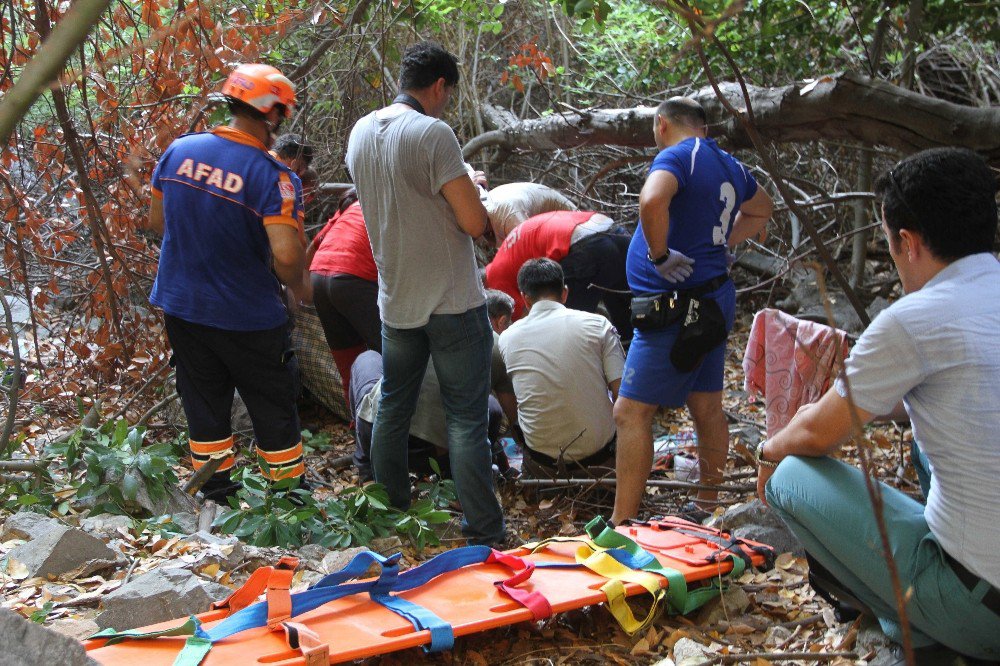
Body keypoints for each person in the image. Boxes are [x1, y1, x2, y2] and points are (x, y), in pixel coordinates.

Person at [758, 147, 1000, 661]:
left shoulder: (915, 318)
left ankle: (912, 623)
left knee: (788, 475)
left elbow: (816, 436)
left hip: (983, 611)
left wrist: (767, 450)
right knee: (922, 436)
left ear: (907, 243)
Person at [345, 41, 505, 546]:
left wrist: (456, 185)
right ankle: (483, 527)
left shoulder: (361, 132)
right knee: (465, 417)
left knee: (394, 402)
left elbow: (403, 198)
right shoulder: (434, 134)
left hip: (396, 300)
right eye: (448, 94)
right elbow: (474, 220)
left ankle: (392, 510)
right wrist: (473, 189)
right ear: (439, 86)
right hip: (453, 302)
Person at [146, 64, 312, 500]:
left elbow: (157, 221)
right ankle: (287, 499)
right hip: (249, 316)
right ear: (271, 113)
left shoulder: (180, 150)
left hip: (183, 306)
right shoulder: (272, 176)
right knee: (272, 406)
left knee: (203, 403)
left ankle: (216, 495)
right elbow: (287, 255)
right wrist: (299, 290)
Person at [611, 97, 772, 525]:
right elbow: (762, 208)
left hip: (676, 308)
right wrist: (722, 244)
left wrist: (660, 255)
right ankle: (708, 504)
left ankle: (620, 524)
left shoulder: (678, 155)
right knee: (706, 406)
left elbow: (651, 202)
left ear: (662, 124)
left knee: (630, 413)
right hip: (713, 297)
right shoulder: (728, 163)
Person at [498, 259, 625, 478]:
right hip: (602, 461)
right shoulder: (598, 325)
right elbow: (624, 397)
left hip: (543, 466)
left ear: (525, 299)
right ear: (565, 293)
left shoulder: (507, 338)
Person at [485, 210, 633, 340]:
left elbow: (519, 326)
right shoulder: (507, 255)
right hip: (614, 232)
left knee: (562, 335)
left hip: (586, 247)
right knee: (633, 328)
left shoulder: (494, 278)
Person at [308, 187, 380, 398]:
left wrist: (300, 286)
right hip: (353, 277)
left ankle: (357, 424)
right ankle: (395, 425)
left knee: (347, 359)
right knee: (392, 355)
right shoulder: (384, 203)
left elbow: (314, 246)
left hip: (319, 276)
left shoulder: (345, 213)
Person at [485, 181, 577, 243]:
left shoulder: (508, 214)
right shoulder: (486, 209)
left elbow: (528, 247)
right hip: (546, 231)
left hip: (571, 226)